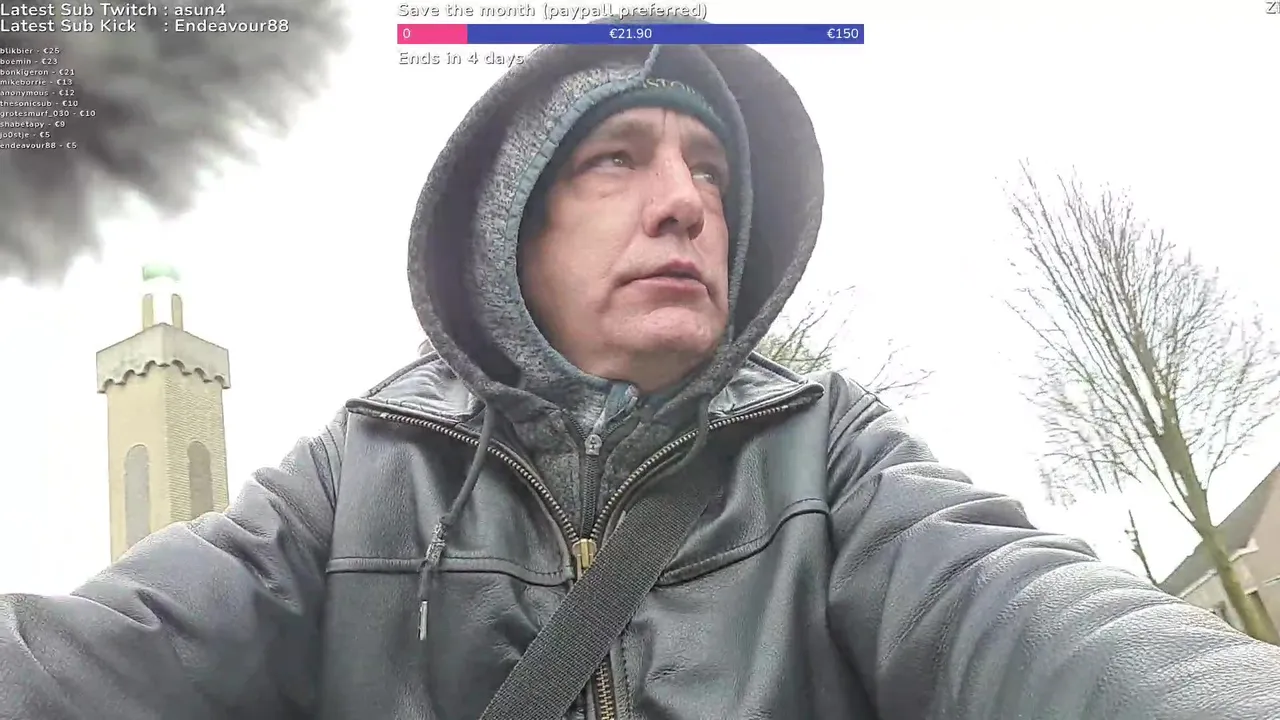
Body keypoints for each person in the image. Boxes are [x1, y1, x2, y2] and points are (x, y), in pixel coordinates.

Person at [3, 36, 1280, 720]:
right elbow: (108, 658)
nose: (685, 202)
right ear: (512, 231)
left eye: (709, 171)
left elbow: (1026, 617)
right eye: (616, 159)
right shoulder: (358, 475)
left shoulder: (829, 449)